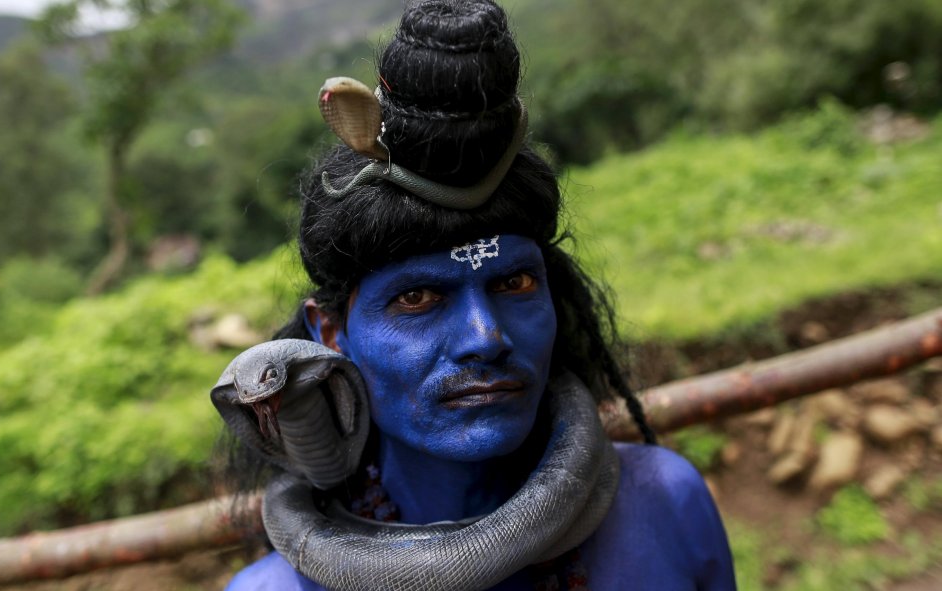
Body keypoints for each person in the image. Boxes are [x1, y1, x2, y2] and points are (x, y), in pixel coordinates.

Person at [217, 1, 736, 589]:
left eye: (514, 283)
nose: (486, 338)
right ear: (331, 332)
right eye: (417, 298)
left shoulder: (665, 505)